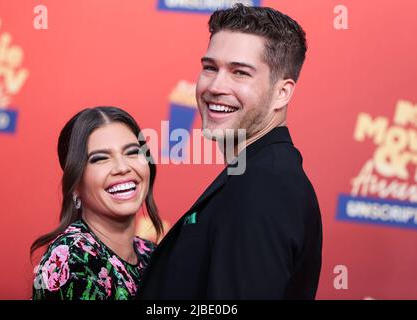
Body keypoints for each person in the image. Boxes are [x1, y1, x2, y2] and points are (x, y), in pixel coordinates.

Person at [137, 4, 322, 299]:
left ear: (282, 92)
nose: (215, 86)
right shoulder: (255, 173)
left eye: (240, 73)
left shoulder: (263, 186)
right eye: (210, 68)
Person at [31, 106, 163, 300]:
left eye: (132, 152)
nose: (122, 167)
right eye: (100, 158)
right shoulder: (72, 259)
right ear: (75, 184)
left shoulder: (151, 254)